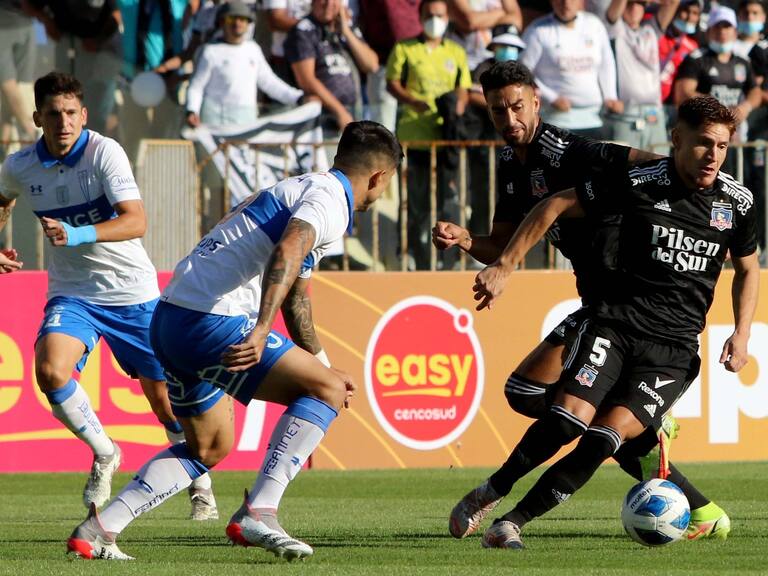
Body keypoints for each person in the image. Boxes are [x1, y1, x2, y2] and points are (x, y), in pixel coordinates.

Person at [66, 120, 403, 561]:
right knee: (328, 392)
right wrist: (262, 332)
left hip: (170, 319)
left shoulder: (303, 188)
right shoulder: (331, 201)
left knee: (209, 446)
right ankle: (259, 513)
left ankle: (99, 529)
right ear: (379, 177)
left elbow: (295, 297)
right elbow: (286, 252)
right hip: (212, 319)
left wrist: (320, 360)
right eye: (389, 183)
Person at [433, 61, 730, 543]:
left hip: (624, 301)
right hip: (598, 302)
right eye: (497, 111)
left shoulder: (571, 150)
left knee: (571, 414)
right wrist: (468, 240)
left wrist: (686, 182)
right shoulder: (511, 164)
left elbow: (653, 163)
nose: (509, 119)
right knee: (531, 396)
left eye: (516, 106)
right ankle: (697, 502)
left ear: (536, 101)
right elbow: (508, 241)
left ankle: (494, 497)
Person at [0, 72, 218, 520]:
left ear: (84, 114)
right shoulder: (20, 165)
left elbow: (136, 221)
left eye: (71, 113)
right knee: (49, 370)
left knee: (164, 399)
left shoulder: (104, 152)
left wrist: (77, 232)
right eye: (54, 114)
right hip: (73, 293)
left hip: (131, 293)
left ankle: (200, 482)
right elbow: (2, 201)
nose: (64, 123)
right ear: (39, 117)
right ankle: (105, 451)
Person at [387, 0, 472, 270]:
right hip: (414, 135)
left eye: (439, 15)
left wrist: (457, 107)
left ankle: (448, 255)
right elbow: (392, 83)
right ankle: (412, 252)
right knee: (415, 199)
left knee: (447, 199)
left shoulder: (456, 52)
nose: (434, 20)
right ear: (421, 17)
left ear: (447, 18)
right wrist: (412, 101)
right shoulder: (405, 48)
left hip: (445, 138)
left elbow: (463, 88)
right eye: (429, 15)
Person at [185, 1, 304, 127]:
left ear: (248, 23)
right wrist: (192, 110)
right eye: (231, 19)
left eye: (242, 19)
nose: (237, 23)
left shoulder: (253, 50)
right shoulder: (210, 52)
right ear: (221, 22)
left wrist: (298, 98)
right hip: (215, 124)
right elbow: (196, 87)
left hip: (245, 123)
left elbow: (269, 82)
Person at [520, 0, 622, 139]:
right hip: (557, 122)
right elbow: (523, 72)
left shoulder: (594, 25)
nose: (566, 4)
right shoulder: (537, 30)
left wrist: (610, 96)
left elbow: (606, 63)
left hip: (594, 120)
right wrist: (551, 97)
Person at [285, 0, 379, 136]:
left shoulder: (346, 28)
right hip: (323, 120)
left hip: (353, 115)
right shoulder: (303, 31)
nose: (328, 4)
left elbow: (372, 65)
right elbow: (307, 80)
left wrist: (346, 32)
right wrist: (339, 112)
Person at [604, 0, 679, 152]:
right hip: (625, 115)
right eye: (629, 3)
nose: (634, 8)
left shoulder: (651, 30)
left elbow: (672, 3)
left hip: (655, 114)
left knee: (659, 166)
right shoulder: (615, 29)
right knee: (625, 169)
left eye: (639, 3)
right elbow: (612, 14)